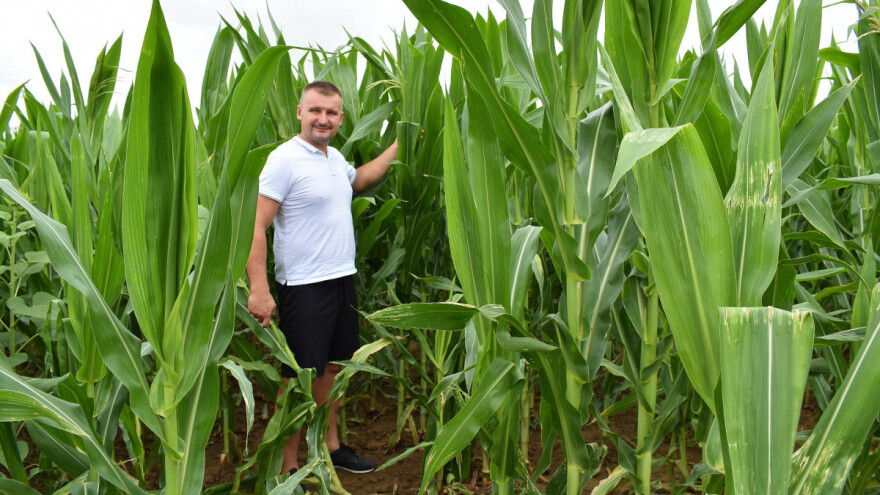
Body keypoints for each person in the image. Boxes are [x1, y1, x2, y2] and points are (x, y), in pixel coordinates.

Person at [246, 80, 398, 475]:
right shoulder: (285, 160)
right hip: (304, 287)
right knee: (297, 377)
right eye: (315, 110)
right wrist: (259, 289)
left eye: (331, 113)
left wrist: (400, 147)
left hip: (341, 279)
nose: (323, 119)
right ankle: (287, 468)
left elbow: (358, 181)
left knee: (333, 368)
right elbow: (255, 226)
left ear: (341, 118)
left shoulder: (334, 158)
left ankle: (330, 446)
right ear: (300, 112)